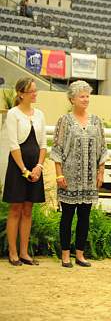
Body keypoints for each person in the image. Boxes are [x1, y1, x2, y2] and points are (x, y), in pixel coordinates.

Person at [50, 81, 108, 268]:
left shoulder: (96, 121)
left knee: (85, 217)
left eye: (87, 96)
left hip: (89, 179)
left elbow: (102, 149)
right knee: (67, 217)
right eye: (82, 96)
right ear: (72, 99)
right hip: (69, 177)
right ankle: (65, 255)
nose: (86, 99)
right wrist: (59, 175)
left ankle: (80, 254)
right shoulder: (64, 121)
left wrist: (101, 172)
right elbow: (57, 149)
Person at [3, 77, 46, 266]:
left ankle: (24, 252)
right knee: (16, 209)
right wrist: (24, 170)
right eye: (32, 91)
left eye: (36, 91)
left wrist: (39, 167)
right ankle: (13, 253)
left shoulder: (40, 115)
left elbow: (44, 144)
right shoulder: (13, 114)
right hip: (18, 166)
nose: (35, 94)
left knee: (28, 209)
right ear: (21, 94)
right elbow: (13, 145)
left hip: (35, 166)